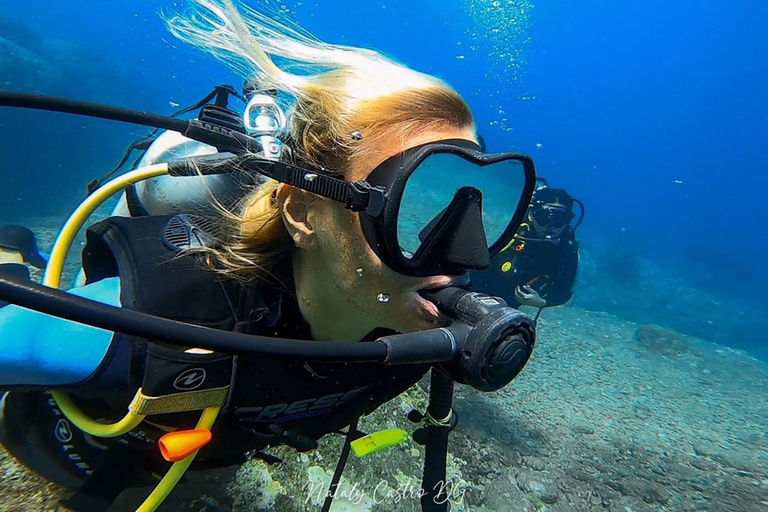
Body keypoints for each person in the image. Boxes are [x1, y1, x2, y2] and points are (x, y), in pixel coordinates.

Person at [0, 1, 537, 511]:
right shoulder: (158, 323)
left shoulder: (421, 338)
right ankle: (13, 250)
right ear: (305, 215)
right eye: (407, 212)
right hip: (47, 447)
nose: (467, 258)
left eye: (474, 214)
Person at [471, 183, 580, 312]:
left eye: (560, 219)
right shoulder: (511, 230)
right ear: (531, 215)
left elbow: (564, 292)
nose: (551, 226)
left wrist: (542, 302)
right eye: (544, 217)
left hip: (509, 307)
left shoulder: (566, 249)